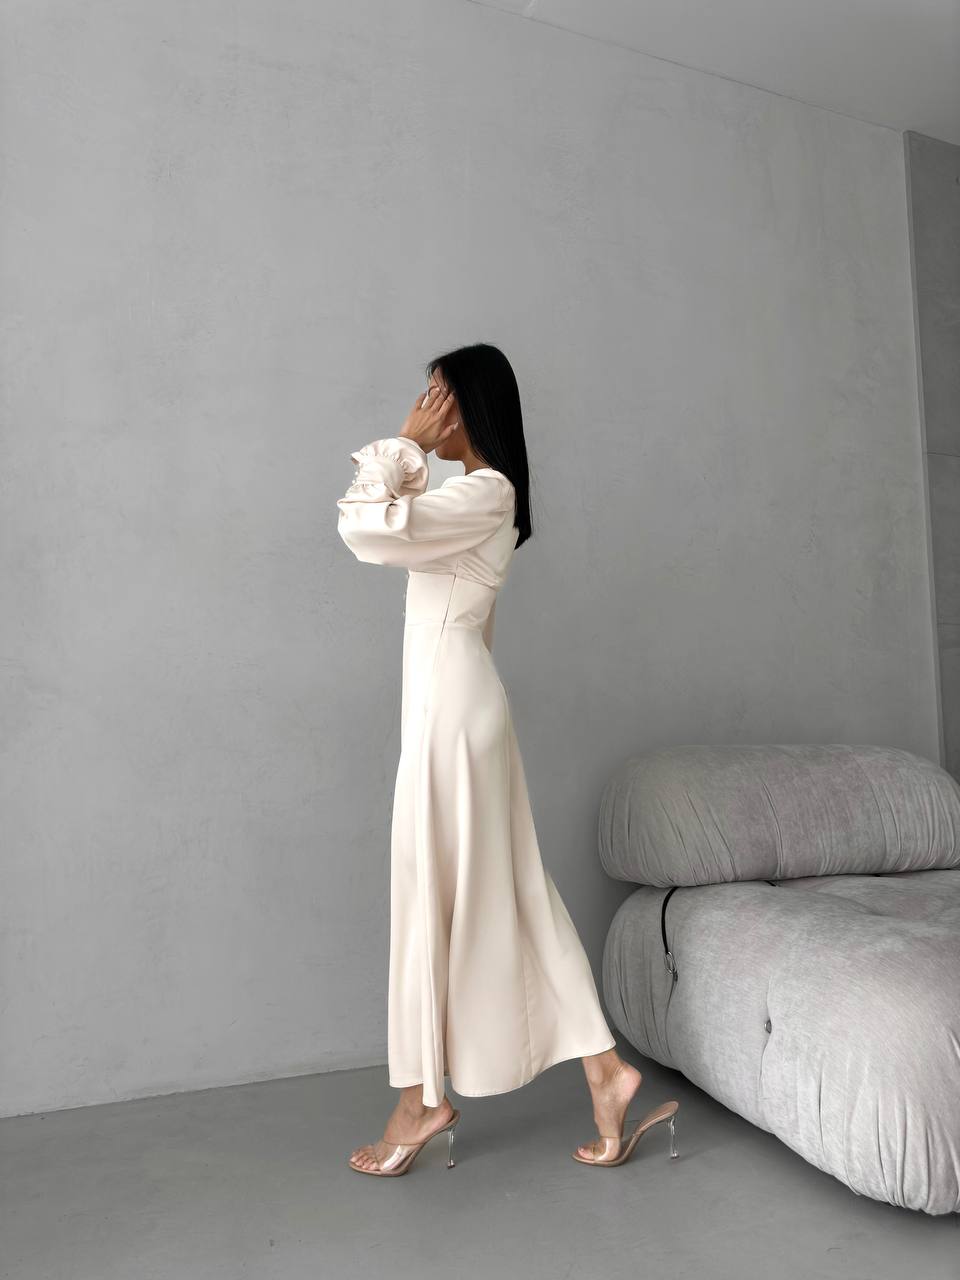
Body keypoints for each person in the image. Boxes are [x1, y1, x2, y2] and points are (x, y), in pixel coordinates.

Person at [336, 342, 678, 1175]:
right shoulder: (470, 497)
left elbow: (364, 528)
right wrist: (411, 460)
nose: (424, 407)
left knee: (436, 891)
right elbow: (388, 524)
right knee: (511, 890)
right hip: (452, 709)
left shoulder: (485, 493)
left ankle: (421, 1101)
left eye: (436, 393)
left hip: (453, 714)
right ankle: (605, 1072)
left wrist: (403, 445)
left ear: (468, 406)